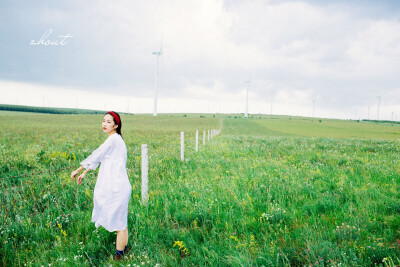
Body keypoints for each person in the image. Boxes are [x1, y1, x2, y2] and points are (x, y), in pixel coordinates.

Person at [71, 111, 131, 260]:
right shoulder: (115, 139)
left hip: (118, 187)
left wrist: (78, 170)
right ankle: (123, 249)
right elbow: (102, 158)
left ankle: (119, 257)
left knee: (120, 224)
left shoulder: (113, 140)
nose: (105, 124)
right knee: (121, 221)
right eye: (103, 121)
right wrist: (85, 172)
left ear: (116, 125)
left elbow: (96, 155)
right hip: (118, 186)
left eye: (109, 122)